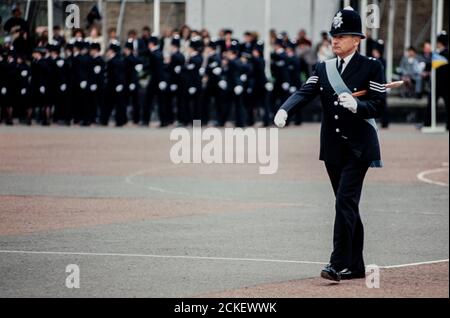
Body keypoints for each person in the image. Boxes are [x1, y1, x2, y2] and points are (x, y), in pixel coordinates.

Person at [274, 7, 386, 282]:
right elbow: (305, 91)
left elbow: (379, 106)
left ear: (357, 39)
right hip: (334, 148)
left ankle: (337, 263)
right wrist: (286, 109)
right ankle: (357, 265)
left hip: (359, 148)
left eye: (342, 35)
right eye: (333, 35)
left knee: (344, 202)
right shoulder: (323, 68)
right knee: (346, 204)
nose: (335, 40)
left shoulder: (372, 66)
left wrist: (358, 105)